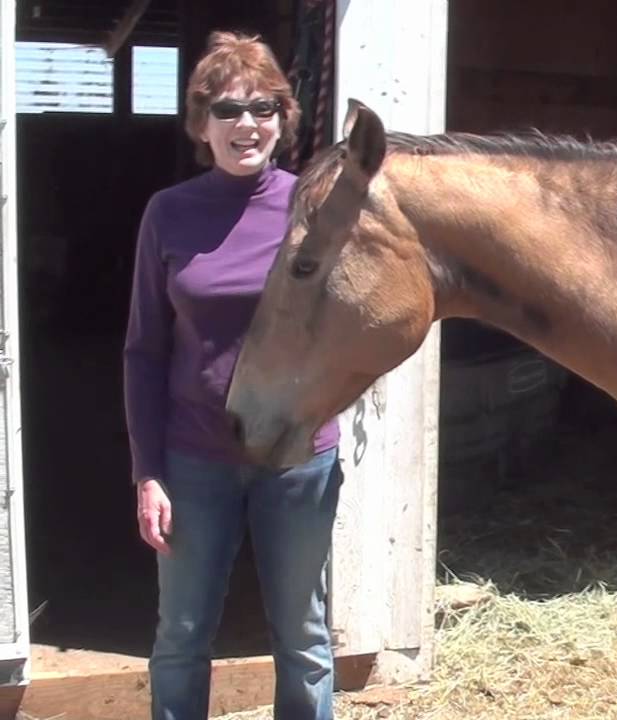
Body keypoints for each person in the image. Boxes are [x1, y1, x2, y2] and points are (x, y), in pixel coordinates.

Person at [123, 30, 342, 720]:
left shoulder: (317, 209)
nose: (246, 124)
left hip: (296, 459)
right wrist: (147, 471)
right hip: (195, 459)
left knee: (303, 638)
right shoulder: (170, 213)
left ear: (284, 118)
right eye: (227, 109)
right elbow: (144, 350)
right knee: (182, 636)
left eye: (264, 107)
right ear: (201, 124)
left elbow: (358, 325)